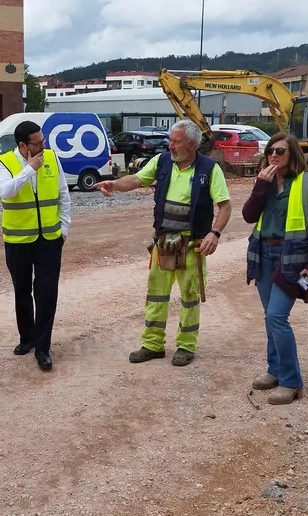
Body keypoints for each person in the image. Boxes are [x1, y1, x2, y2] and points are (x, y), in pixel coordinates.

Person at [97, 119, 231, 366]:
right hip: (163, 243)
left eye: (176, 142)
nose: (170, 145)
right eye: (171, 140)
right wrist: (114, 184)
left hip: (192, 245)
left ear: (191, 145)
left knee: (189, 296)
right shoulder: (162, 162)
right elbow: (136, 180)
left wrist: (215, 233)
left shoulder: (210, 169)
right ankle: (152, 345)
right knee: (156, 296)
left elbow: (224, 206)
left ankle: (186, 346)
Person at [242, 133, 308, 405]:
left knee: (277, 316)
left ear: (292, 156)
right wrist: (260, 186)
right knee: (270, 316)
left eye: (280, 151)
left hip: (290, 258)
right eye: (270, 151)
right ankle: (275, 369)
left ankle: (291, 381)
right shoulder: (265, 183)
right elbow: (248, 216)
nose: (274, 155)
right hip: (263, 255)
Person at [0, 120, 71, 371]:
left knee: (46, 293)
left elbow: (63, 195)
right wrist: (29, 169)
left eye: (43, 141)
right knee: (22, 291)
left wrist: (64, 229)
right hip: (18, 240)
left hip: (50, 239)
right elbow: (5, 192)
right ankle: (27, 338)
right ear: (23, 146)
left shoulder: (52, 158)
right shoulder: (4, 162)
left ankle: (43, 347)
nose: (43, 147)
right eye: (38, 144)